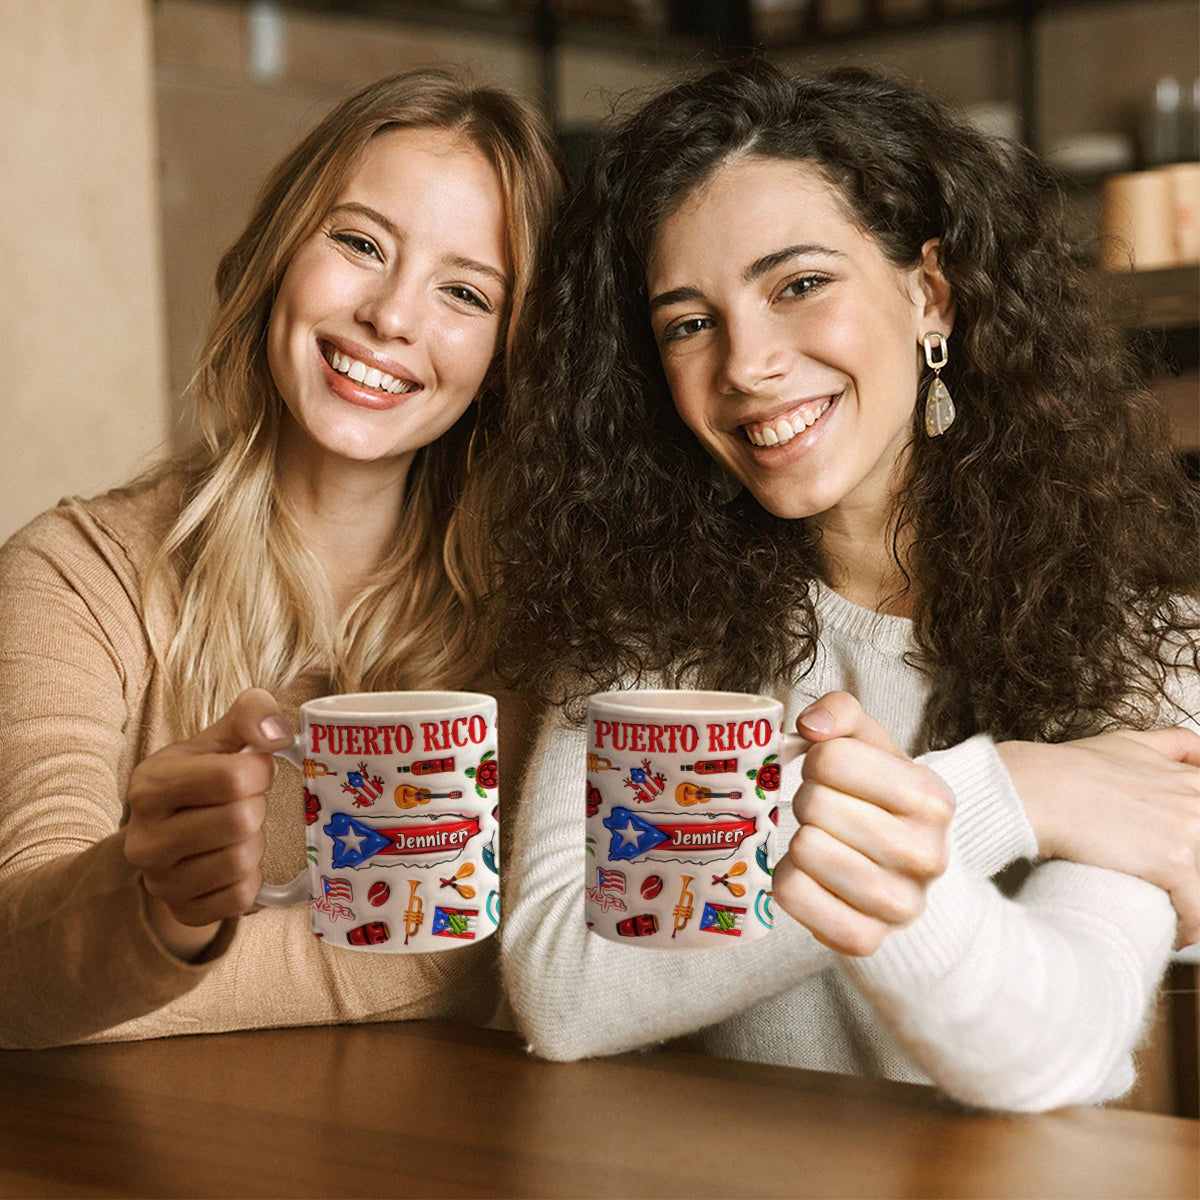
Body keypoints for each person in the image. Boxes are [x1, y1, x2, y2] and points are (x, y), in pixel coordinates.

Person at [488, 60, 1200, 1112]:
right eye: (689, 322)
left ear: (930, 295)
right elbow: (561, 991)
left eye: (799, 285)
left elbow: (1054, 1045)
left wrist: (918, 810)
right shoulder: (645, 633)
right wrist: (1004, 794)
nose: (746, 363)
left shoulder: (1145, 638)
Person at [0, 68, 563, 1048]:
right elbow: (18, 967)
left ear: (508, 355)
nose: (391, 315)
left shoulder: (538, 620)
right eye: (359, 243)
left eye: (465, 292)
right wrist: (158, 912)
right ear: (279, 256)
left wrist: (142, 974)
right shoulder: (75, 575)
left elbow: (524, 945)